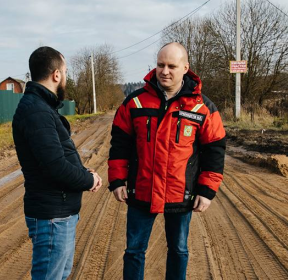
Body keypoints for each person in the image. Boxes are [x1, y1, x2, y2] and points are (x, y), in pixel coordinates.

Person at [108, 42, 226, 280]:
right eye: (161, 64)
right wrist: (118, 179)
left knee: (179, 250)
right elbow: (120, 145)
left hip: (181, 193)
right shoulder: (135, 102)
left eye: (172, 66)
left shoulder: (203, 107)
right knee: (134, 251)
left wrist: (207, 190)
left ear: (185, 68)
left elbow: (214, 151)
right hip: (141, 190)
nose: (164, 71)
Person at [12, 46, 103, 280]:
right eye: (65, 71)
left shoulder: (42, 108)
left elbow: (58, 155)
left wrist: (83, 171)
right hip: (52, 215)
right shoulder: (37, 111)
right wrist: (88, 179)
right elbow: (55, 167)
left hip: (59, 213)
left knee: (59, 275)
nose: (65, 76)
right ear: (56, 75)